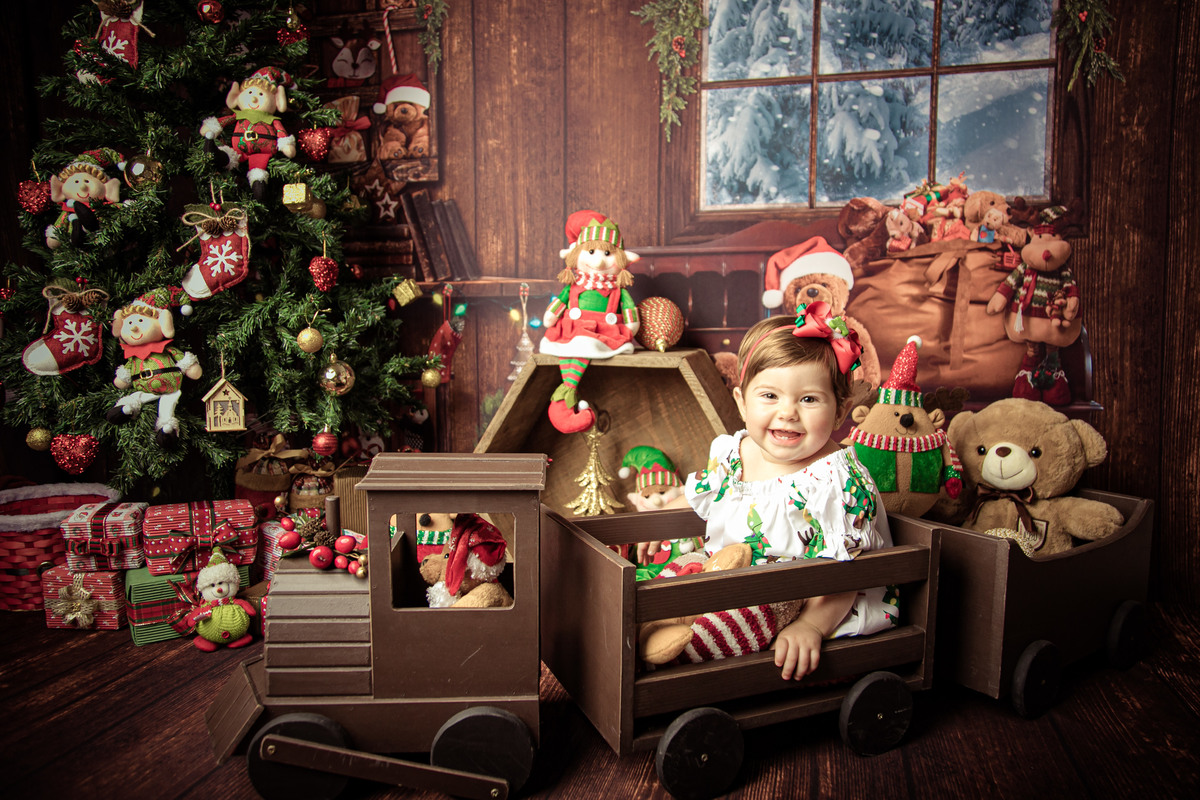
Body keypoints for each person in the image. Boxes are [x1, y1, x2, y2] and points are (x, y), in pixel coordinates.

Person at [636, 302, 896, 680]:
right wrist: (659, 524)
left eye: (808, 399)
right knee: (668, 579)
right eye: (770, 396)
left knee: (730, 619)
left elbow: (846, 573)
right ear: (742, 402)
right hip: (723, 573)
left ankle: (674, 663)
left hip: (804, 600)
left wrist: (811, 627)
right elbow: (698, 499)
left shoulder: (838, 481)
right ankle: (644, 633)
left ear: (840, 411)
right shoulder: (734, 453)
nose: (788, 412)